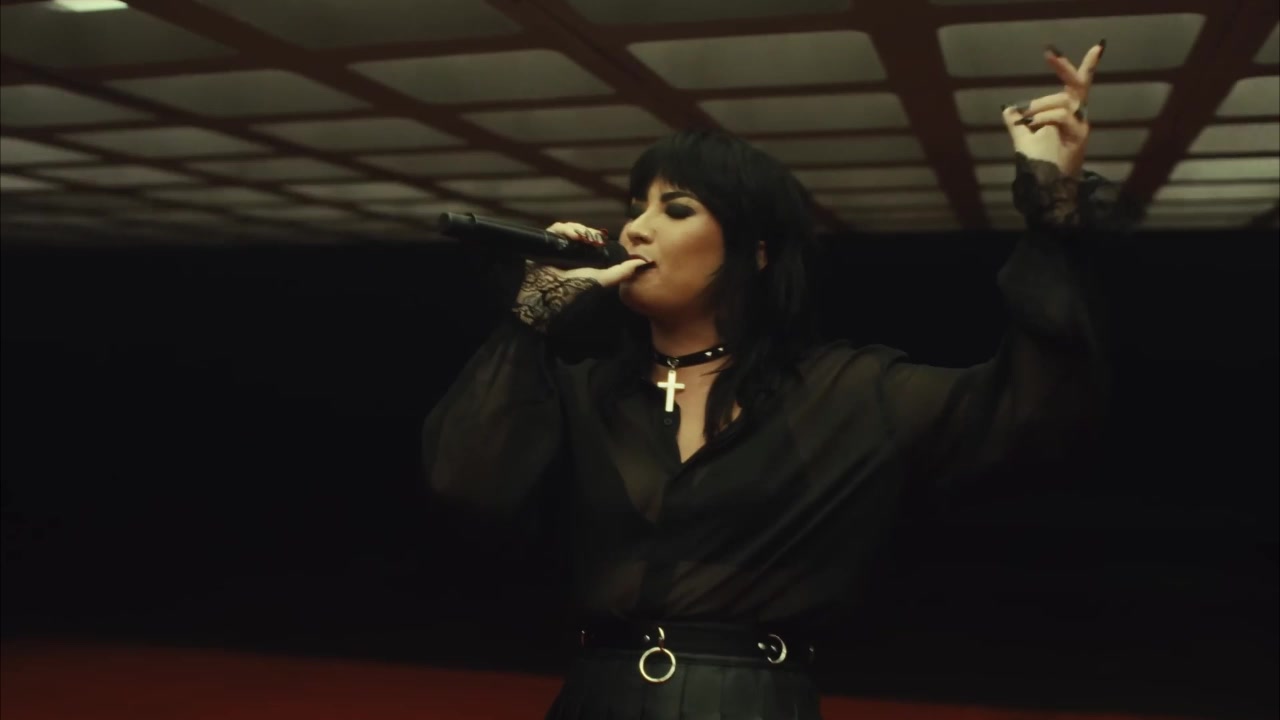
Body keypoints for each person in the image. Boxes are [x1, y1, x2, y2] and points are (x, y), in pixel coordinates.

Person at [422, 42, 1129, 719]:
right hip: (596, 697)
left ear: (755, 253)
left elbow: (1036, 411)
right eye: (635, 209)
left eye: (675, 209)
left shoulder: (847, 390)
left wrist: (1052, 207)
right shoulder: (584, 390)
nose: (635, 230)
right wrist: (530, 317)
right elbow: (466, 485)